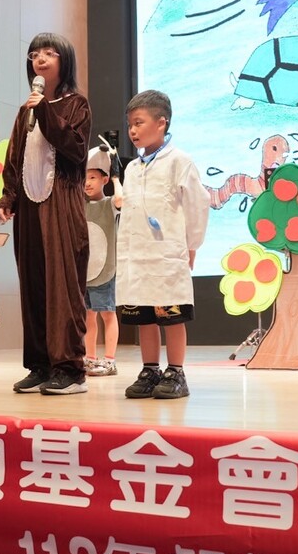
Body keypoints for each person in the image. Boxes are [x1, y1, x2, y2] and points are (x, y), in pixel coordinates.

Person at [0, 33, 92, 396]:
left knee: (63, 286)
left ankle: (70, 369)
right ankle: (41, 365)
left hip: (61, 204)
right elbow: (14, 158)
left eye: (49, 53)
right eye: (34, 54)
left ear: (64, 60)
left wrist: (45, 111)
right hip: (30, 208)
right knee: (33, 284)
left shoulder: (76, 104)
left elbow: (75, 149)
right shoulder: (26, 111)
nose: (40, 59)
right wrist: (8, 198)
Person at [116, 89, 210, 400]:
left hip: (166, 254)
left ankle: (176, 372)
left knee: (171, 315)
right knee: (144, 317)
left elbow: (197, 204)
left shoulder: (179, 161)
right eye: (130, 125)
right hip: (136, 257)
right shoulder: (132, 168)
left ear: (161, 123)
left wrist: (192, 245)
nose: (132, 131)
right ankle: (150, 370)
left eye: (138, 123)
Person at [84, 145, 123, 376]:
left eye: (92, 178)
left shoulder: (109, 203)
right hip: (85, 271)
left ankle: (110, 360)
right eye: (84, 178)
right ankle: (90, 358)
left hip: (105, 269)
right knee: (88, 316)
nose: (87, 183)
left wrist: (116, 176)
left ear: (104, 179)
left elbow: (121, 198)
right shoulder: (80, 204)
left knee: (108, 314)